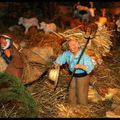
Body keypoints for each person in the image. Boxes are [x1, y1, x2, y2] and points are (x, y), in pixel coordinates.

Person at [53, 36, 94, 106]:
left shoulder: (84, 56)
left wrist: (81, 66)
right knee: (72, 89)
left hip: (82, 77)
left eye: (74, 45)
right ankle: (72, 106)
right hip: (73, 75)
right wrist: (57, 63)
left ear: (78, 45)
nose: (72, 47)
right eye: (70, 45)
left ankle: (82, 107)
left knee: (81, 92)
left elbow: (90, 67)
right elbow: (62, 57)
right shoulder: (68, 54)